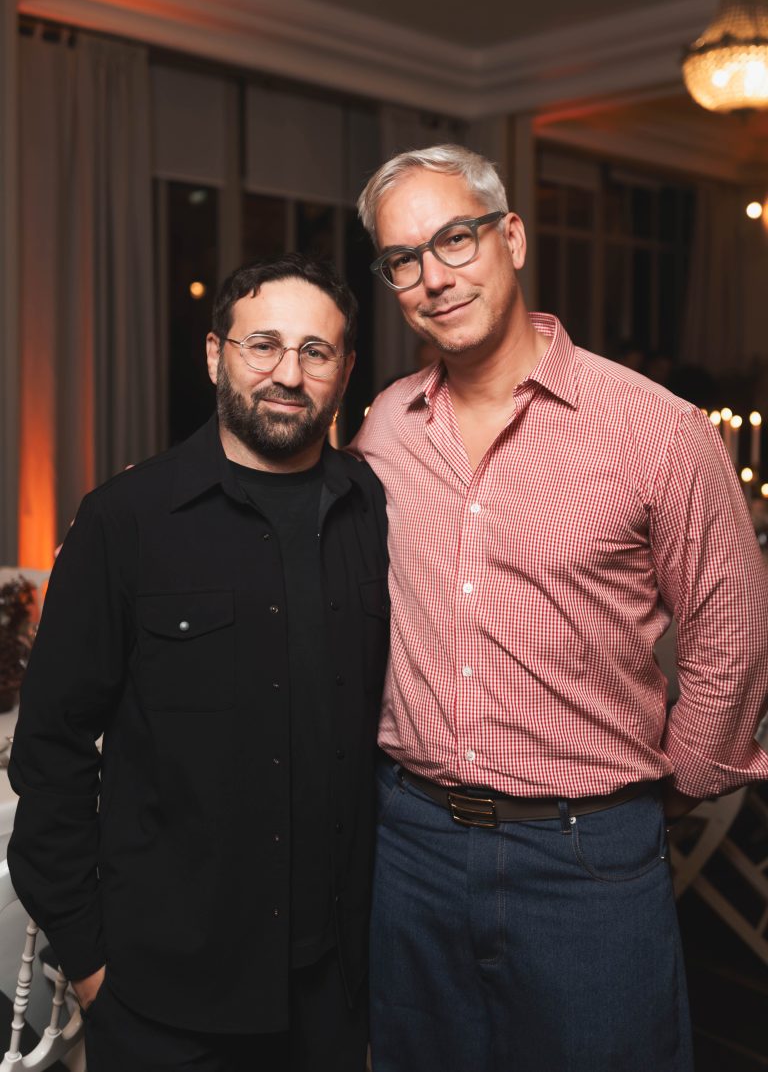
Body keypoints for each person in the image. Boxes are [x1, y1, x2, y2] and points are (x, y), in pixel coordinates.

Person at [353, 144, 768, 1072]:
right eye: (403, 259)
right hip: (409, 850)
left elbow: (731, 637)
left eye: (454, 239)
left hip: (588, 859)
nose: (433, 277)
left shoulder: (656, 427)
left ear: (513, 238)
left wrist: (661, 792)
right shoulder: (383, 428)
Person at [8, 253, 389, 1072]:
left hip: (333, 996)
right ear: (215, 355)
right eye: (264, 347)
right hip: (163, 1000)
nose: (289, 374)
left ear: (345, 370)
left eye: (316, 352)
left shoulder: (372, 512)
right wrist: (92, 966)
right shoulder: (125, 522)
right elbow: (50, 755)